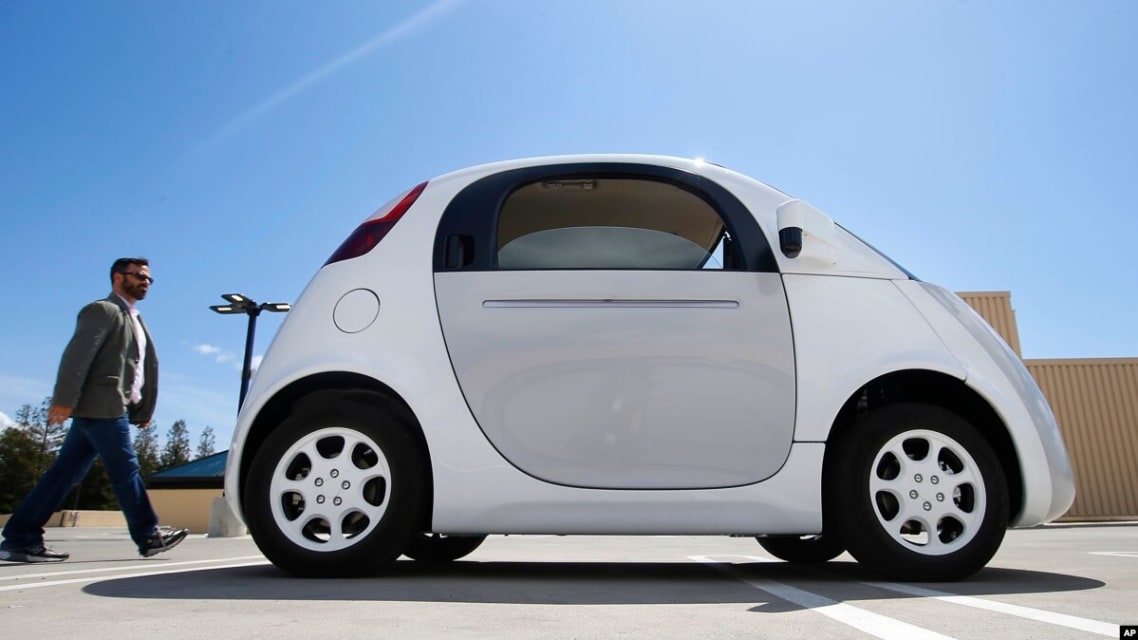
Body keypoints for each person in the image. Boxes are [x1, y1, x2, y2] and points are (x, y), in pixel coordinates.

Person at [0, 258, 189, 563]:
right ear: (118, 277)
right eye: (139, 276)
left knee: (63, 475)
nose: (145, 282)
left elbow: (136, 369)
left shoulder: (135, 318)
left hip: (110, 407)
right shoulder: (103, 310)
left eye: (148, 279)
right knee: (126, 471)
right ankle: (148, 535)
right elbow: (78, 355)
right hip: (102, 406)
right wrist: (64, 398)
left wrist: (140, 407)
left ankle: (20, 538)